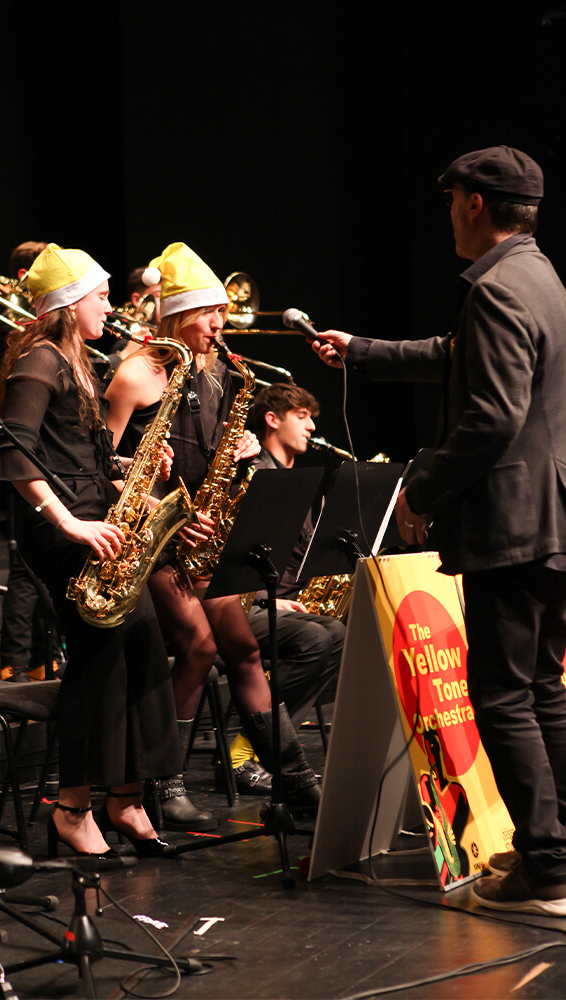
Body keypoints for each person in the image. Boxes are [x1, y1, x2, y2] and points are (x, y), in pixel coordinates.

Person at [312, 146, 566, 915]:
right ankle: (560, 851)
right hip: (551, 516)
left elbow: (490, 417)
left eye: (452, 198)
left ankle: (546, 864)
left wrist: (420, 489)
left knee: (500, 695)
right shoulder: (539, 276)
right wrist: (361, 353)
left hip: (511, 522)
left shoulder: (493, 289)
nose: (448, 212)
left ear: (476, 204)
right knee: (543, 690)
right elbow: (458, 360)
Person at [105, 242, 321, 829]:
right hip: (152, 536)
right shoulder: (136, 372)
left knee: (246, 649)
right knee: (198, 647)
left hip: (202, 532)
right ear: (176, 315)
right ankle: (163, 782)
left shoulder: (220, 373)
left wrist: (247, 452)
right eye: (210, 315)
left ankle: (296, 778)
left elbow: (217, 454)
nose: (220, 327)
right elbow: (99, 460)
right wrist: (146, 481)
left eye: (223, 313)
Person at [0, 243, 182, 865]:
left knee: (144, 651)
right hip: (65, 535)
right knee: (99, 667)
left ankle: (125, 800)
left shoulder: (76, 361)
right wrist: (71, 521)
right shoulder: (39, 360)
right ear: (70, 304)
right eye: (100, 296)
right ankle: (71, 808)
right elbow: (13, 454)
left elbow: (79, 459)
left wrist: (132, 469)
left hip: (96, 522)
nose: (111, 306)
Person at [224, 383, 345, 793]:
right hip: (246, 603)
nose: (311, 426)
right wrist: (269, 600)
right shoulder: (257, 475)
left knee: (338, 634)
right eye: (301, 416)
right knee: (315, 639)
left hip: (283, 599)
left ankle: (255, 747)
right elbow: (237, 552)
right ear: (272, 420)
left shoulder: (296, 478)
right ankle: (245, 754)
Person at [0, 240, 64, 683]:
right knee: (23, 570)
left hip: (52, 467)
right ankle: (16, 660)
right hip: (34, 473)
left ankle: (37, 657)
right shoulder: (32, 346)